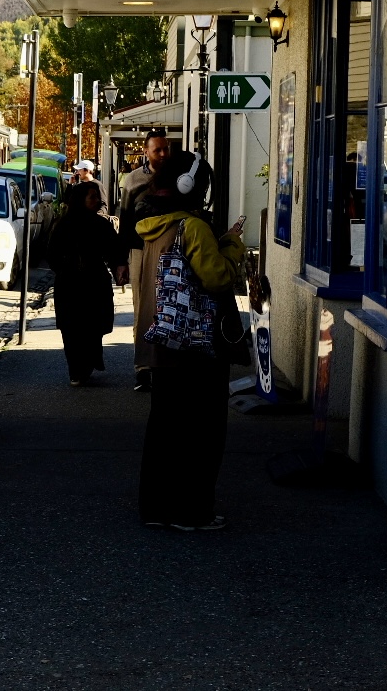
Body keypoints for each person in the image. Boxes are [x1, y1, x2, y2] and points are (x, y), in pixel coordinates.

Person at [135, 149, 245, 531]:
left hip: (162, 341)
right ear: (189, 185)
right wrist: (233, 245)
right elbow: (217, 277)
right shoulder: (192, 227)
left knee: (165, 428)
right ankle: (192, 511)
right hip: (196, 345)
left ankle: (157, 508)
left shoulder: (153, 226)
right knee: (201, 430)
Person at [46, 181, 128, 386]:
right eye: (92, 197)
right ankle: (76, 370)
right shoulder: (64, 225)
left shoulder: (101, 225)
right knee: (71, 329)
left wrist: (119, 267)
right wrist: (66, 269)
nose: (97, 200)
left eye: (97, 196)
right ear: (80, 199)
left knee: (92, 326)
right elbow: (52, 254)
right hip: (70, 284)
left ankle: (86, 365)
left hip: (94, 283)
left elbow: (114, 250)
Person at [117, 128, 170, 392]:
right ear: (146, 151)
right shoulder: (134, 179)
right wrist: (121, 261)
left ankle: (166, 364)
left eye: (165, 149)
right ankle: (143, 368)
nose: (162, 154)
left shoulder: (177, 177)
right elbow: (125, 219)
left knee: (168, 305)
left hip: (170, 249)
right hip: (140, 249)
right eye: (157, 149)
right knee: (142, 309)